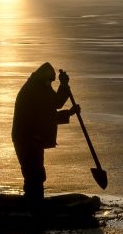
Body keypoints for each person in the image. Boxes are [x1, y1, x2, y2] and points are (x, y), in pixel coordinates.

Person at [12, 63, 79, 202]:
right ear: (44, 78)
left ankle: (35, 202)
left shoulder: (39, 85)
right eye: (50, 81)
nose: (50, 85)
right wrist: (64, 86)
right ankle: (32, 204)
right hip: (27, 138)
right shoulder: (35, 89)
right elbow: (54, 105)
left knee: (36, 174)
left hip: (33, 138)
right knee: (33, 173)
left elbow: (50, 109)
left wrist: (65, 88)